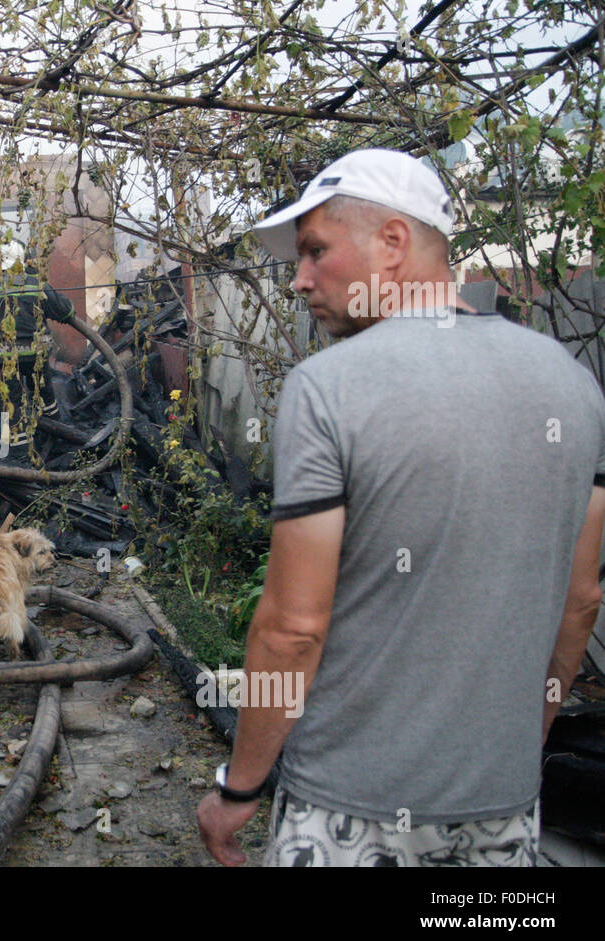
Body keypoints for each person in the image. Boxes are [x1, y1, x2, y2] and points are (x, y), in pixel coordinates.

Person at [196, 148, 605, 867]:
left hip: (347, 808)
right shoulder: (574, 389)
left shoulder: (329, 388)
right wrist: (523, 742)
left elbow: (292, 630)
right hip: (504, 810)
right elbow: (580, 601)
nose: (298, 279)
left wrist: (240, 787)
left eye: (316, 251)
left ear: (392, 243)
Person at [0, 240, 73, 447]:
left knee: (12, 404)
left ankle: (20, 453)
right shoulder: (36, 284)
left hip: (1, 356)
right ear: (22, 261)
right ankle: (58, 436)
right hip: (35, 353)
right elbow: (65, 310)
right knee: (43, 394)